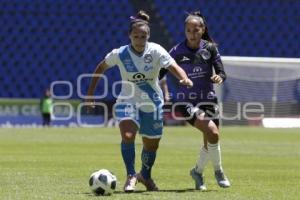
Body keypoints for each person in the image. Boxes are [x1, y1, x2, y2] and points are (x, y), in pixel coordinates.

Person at [86, 10, 193, 192]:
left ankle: (145, 175)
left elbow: (174, 66)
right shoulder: (120, 54)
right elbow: (100, 67)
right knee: (128, 136)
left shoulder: (156, 50)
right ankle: (130, 175)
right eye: (136, 36)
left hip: (152, 102)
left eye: (143, 36)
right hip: (127, 100)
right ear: (130, 36)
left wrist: (184, 78)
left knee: (152, 144)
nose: (139, 40)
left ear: (148, 36)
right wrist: (90, 95)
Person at [159, 11, 230, 190]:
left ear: (202, 29)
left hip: (209, 99)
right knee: (213, 133)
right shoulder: (175, 51)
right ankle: (218, 171)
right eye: (189, 30)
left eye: (196, 30)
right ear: (185, 31)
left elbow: (221, 72)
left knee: (211, 139)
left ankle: (197, 171)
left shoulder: (210, 48)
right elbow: (159, 73)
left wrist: (219, 77)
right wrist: (162, 90)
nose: (192, 34)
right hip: (186, 101)